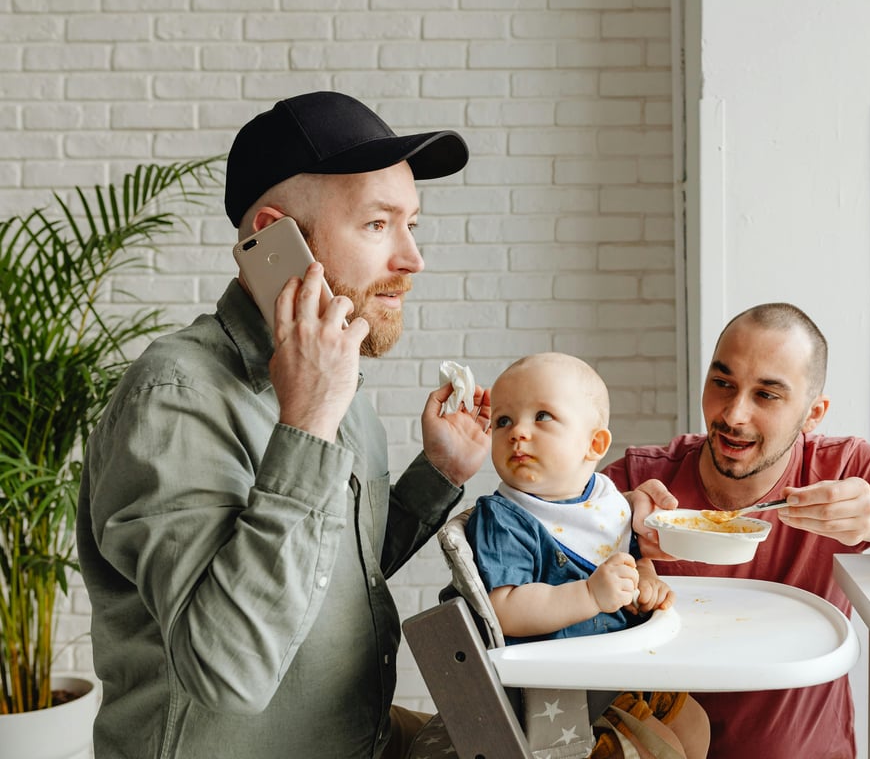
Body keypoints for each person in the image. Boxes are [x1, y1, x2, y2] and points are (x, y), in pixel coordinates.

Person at [76, 91, 492, 759]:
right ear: (274, 236)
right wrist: (307, 425)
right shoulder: (173, 398)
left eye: (413, 224)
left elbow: (320, 580)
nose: (413, 260)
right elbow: (228, 671)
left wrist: (437, 476)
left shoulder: (330, 379)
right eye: (379, 225)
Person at [605, 302, 870, 759]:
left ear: (813, 414)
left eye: (767, 395)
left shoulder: (843, 469)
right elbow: (527, 546)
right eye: (722, 384)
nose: (734, 414)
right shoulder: (641, 481)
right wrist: (607, 528)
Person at [466, 352, 710, 759]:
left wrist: (645, 581)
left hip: (626, 661)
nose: (517, 433)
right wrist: (591, 596)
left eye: (541, 416)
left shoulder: (604, 500)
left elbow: (629, 555)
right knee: (664, 750)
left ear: (593, 444)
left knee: (696, 725)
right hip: (573, 686)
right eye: (503, 421)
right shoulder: (506, 517)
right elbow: (503, 608)